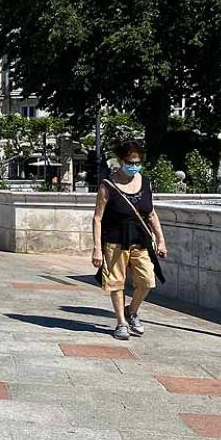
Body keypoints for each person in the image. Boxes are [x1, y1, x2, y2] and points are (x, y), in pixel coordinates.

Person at [91, 139, 167, 340]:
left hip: (140, 241)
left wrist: (161, 240)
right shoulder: (108, 185)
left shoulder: (145, 182)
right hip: (115, 241)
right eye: (130, 162)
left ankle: (131, 311)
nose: (133, 166)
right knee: (116, 283)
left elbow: (151, 214)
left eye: (137, 162)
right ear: (121, 160)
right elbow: (97, 218)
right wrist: (97, 248)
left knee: (147, 282)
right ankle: (121, 323)